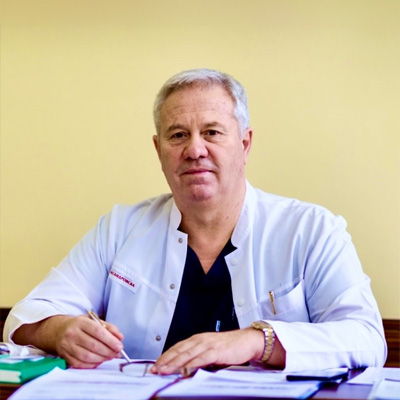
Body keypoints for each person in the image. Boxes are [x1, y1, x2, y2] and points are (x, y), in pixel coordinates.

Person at [4, 69, 386, 374]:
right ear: (159, 150)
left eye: (212, 132)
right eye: (178, 135)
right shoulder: (120, 228)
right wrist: (60, 331)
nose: (195, 149)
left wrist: (257, 341)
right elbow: (22, 318)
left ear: (245, 144)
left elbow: (367, 338)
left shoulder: (311, 229)